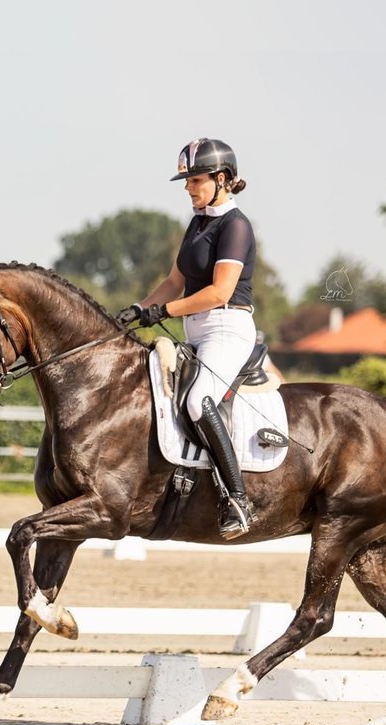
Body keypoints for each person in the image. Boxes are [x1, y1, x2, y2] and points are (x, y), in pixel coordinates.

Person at [117, 138, 258, 539]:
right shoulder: (198, 224)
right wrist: (139, 309)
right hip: (196, 330)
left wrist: (164, 312)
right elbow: (175, 281)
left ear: (223, 179)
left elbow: (219, 292)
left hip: (227, 328)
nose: (188, 187)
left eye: (195, 180)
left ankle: (237, 498)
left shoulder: (236, 226)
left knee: (198, 400)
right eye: (187, 180)